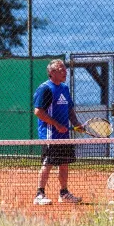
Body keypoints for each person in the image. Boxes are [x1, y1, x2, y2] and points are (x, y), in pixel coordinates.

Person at [33, 59, 84, 205]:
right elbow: (38, 112)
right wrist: (56, 125)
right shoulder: (45, 89)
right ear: (52, 72)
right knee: (47, 163)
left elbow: (69, 109)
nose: (65, 71)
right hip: (50, 135)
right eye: (61, 69)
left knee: (64, 163)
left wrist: (75, 123)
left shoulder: (64, 88)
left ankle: (64, 194)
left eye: (65, 68)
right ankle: (39, 195)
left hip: (64, 135)